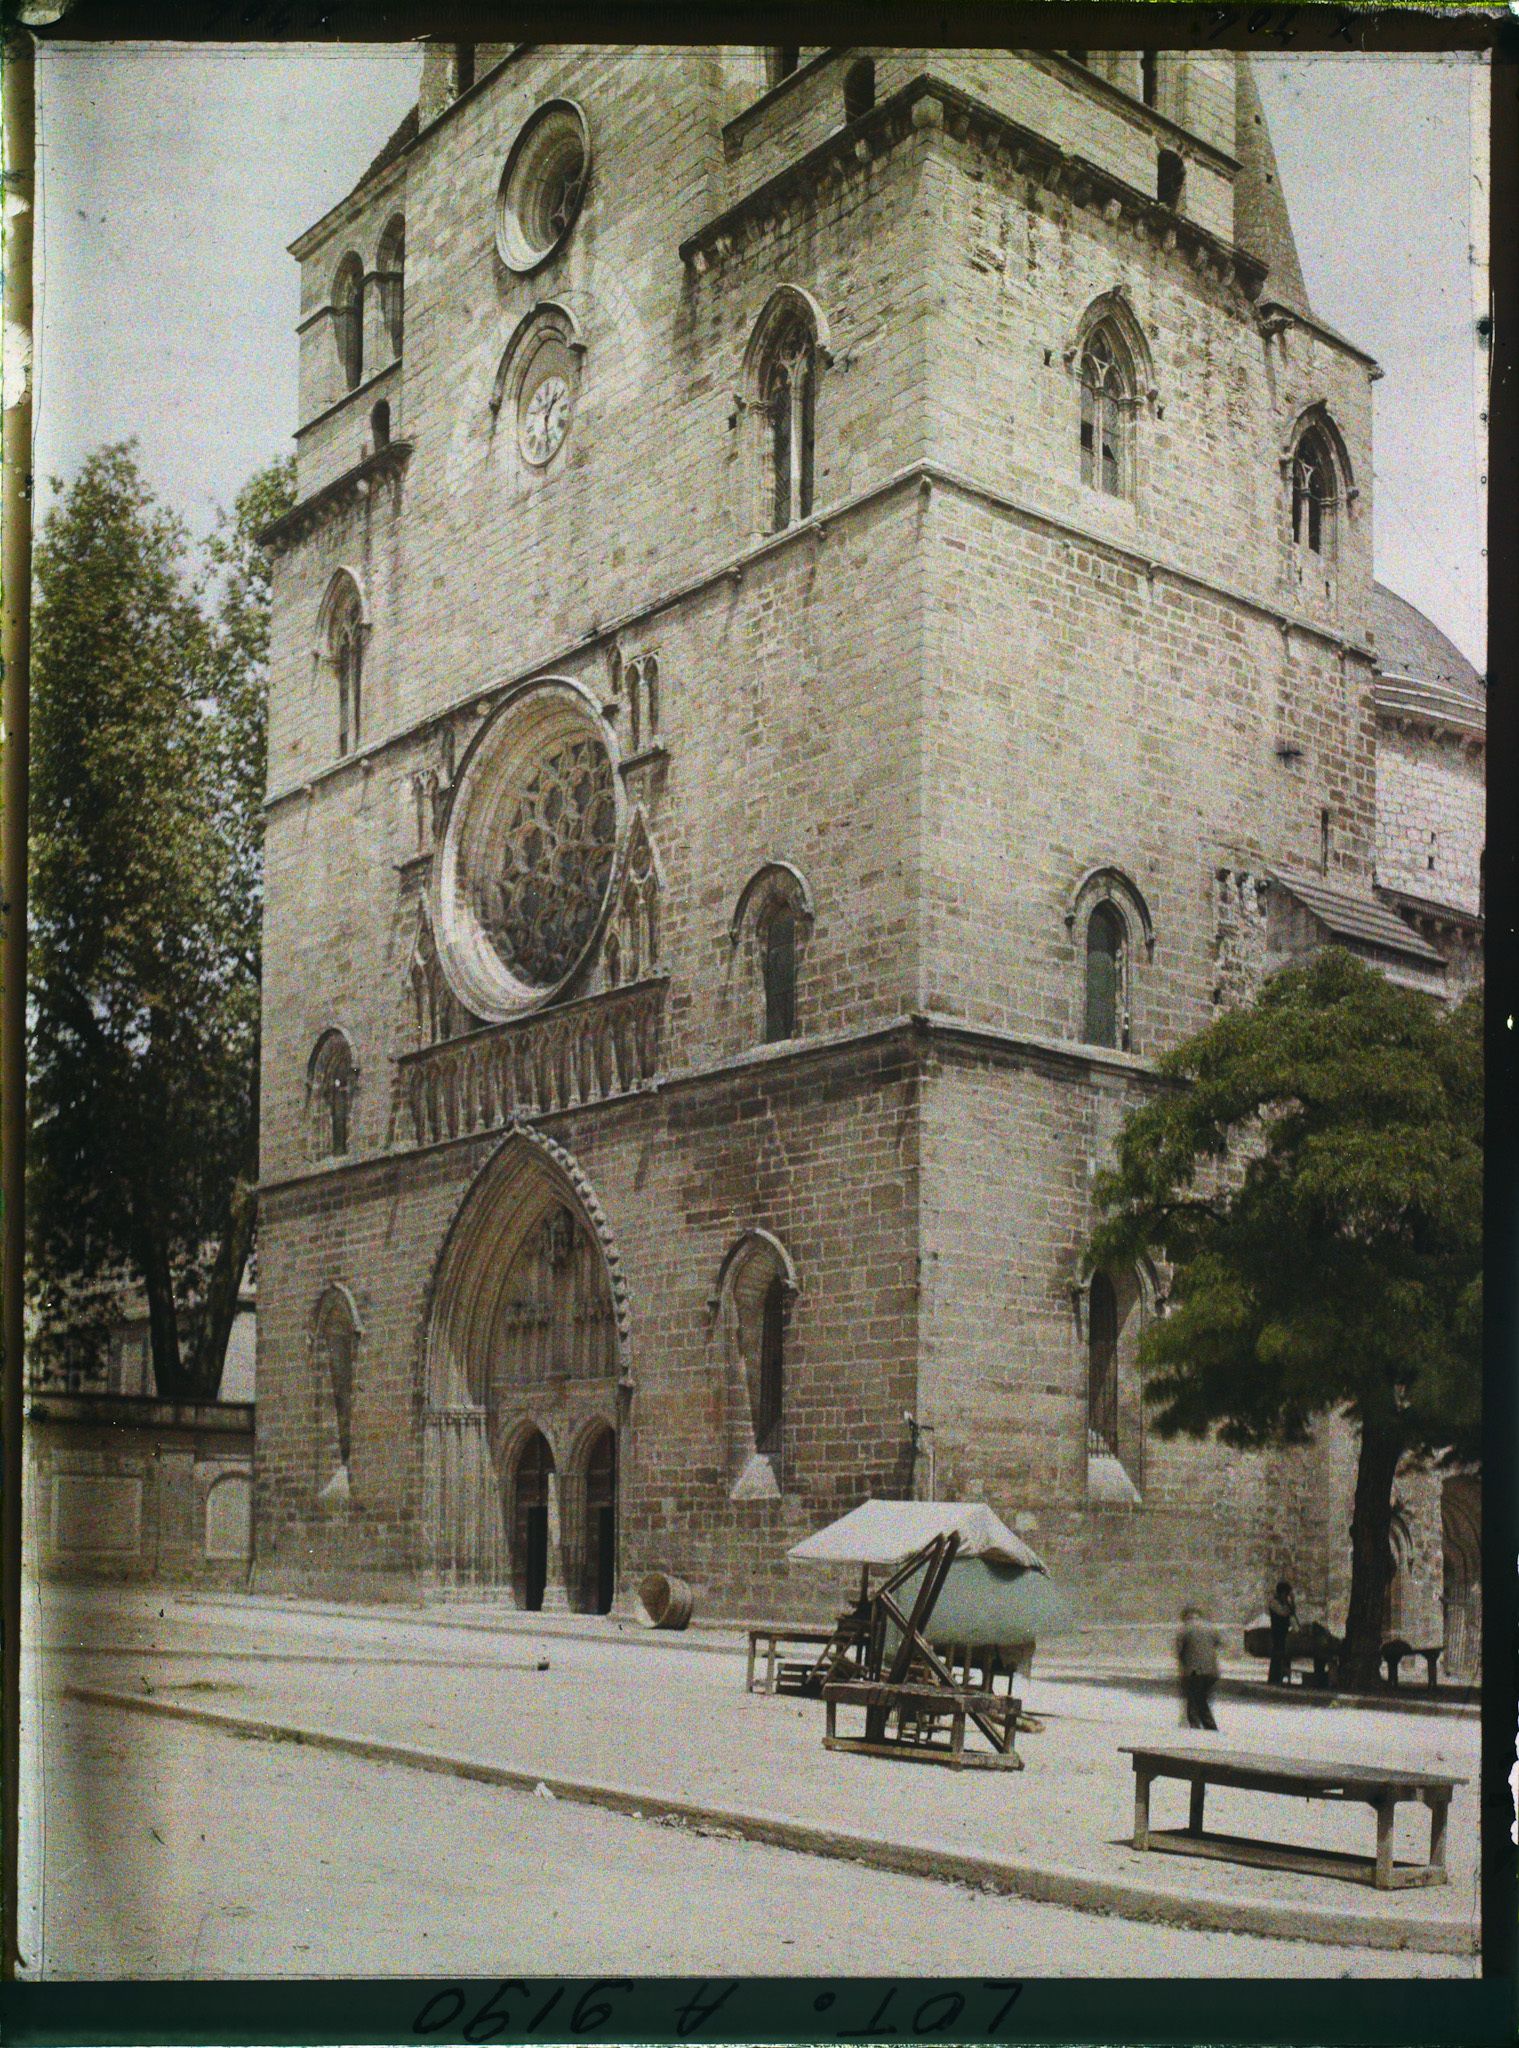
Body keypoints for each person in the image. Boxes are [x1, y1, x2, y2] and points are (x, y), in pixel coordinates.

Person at [1176, 1605, 1221, 1731]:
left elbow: (1180, 1652)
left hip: (1194, 1671)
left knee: (1195, 1700)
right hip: (1212, 1671)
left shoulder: (1184, 1629)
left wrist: (1183, 1671)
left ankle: (1201, 1726)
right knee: (1201, 1698)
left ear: (1185, 1617)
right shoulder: (1210, 1627)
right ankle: (1204, 1726)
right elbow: (1218, 1643)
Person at [1267, 1578, 1298, 1685]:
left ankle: (1281, 1677)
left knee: (1284, 1654)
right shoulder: (1274, 1602)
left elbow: (1292, 1614)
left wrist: (1292, 1602)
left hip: (1284, 1631)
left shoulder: (1284, 1603)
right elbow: (1284, 1613)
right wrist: (1288, 1604)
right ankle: (1274, 1678)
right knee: (1277, 1654)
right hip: (1277, 1631)